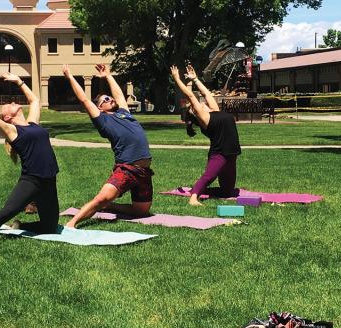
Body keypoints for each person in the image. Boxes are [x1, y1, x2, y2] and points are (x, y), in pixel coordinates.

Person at [0, 73, 59, 251]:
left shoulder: (33, 124)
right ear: (7, 117)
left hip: (50, 181)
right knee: (9, 210)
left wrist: (19, 82)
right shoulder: (12, 131)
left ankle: (20, 226)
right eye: (8, 105)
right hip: (32, 180)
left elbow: (35, 101)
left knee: (50, 228)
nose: (13, 102)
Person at [63, 63, 153, 228]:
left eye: (109, 97)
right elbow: (84, 99)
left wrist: (108, 76)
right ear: (99, 107)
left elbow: (118, 95)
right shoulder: (102, 120)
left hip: (144, 172)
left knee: (142, 211)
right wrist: (69, 77)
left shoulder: (123, 113)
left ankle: (109, 206)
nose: (110, 99)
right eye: (105, 99)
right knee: (101, 198)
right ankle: (72, 223)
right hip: (127, 168)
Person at [170, 64, 242, 206]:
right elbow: (190, 95)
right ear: (196, 113)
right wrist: (176, 79)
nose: (202, 103)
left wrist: (195, 79)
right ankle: (193, 198)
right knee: (208, 176)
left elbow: (206, 94)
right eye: (197, 106)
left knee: (228, 191)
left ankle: (201, 191)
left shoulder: (215, 111)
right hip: (220, 154)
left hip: (232, 154)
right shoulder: (205, 119)